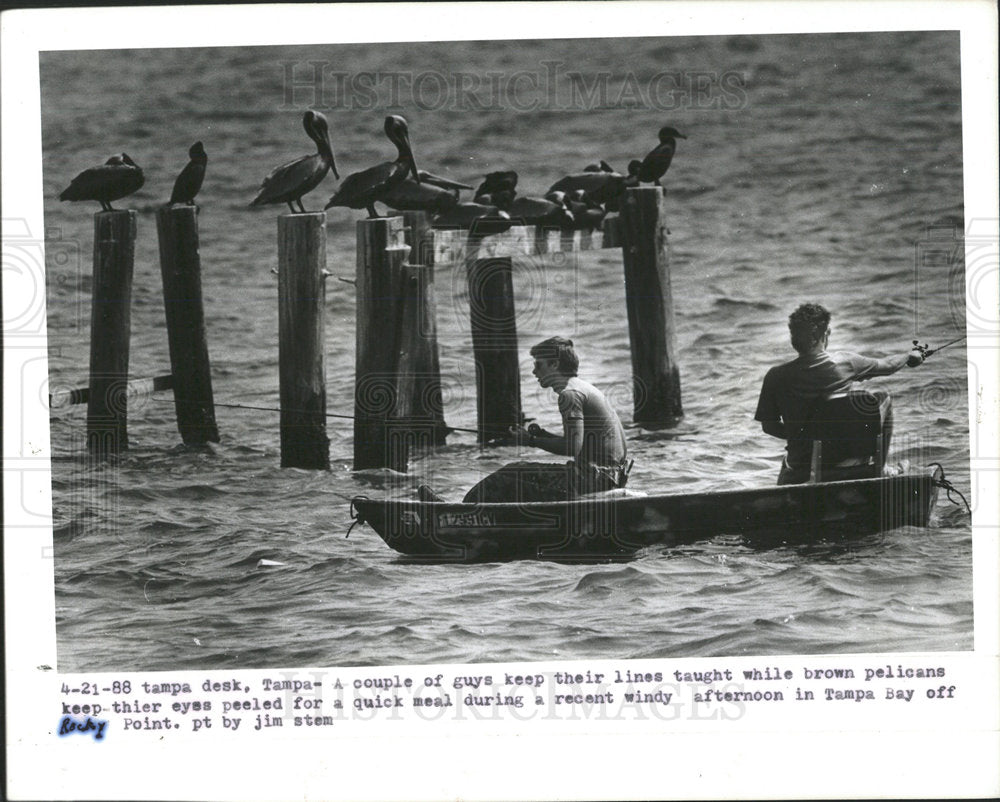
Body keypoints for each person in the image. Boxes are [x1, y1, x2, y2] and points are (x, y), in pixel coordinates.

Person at [755, 303, 925, 485]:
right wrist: (910, 355)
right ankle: (880, 468)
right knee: (884, 398)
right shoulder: (846, 362)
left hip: (800, 466)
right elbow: (889, 365)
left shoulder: (775, 376)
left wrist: (803, 436)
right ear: (823, 334)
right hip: (844, 462)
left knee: (788, 461)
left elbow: (769, 427)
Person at [461, 337, 631, 503]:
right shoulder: (582, 388)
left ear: (554, 364)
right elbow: (580, 443)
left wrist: (531, 441)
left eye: (538, 365)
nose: (534, 372)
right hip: (609, 477)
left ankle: (468, 513)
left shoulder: (569, 395)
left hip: (593, 479)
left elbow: (572, 447)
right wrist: (542, 435)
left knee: (510, 473)